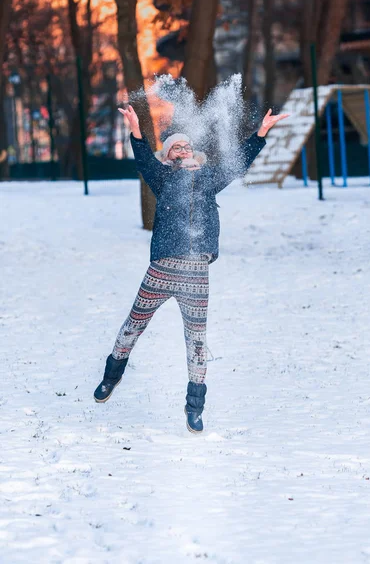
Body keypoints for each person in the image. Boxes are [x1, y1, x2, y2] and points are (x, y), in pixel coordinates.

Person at [94, 105, 289, 433]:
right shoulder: (162, 178)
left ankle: (194, 407)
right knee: (132, 327)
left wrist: (260, 133)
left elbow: (238, 161)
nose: (182, 150)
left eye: (186, 146)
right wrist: (136, 129)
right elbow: (143, 158)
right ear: (168, 158)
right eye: (175, 148)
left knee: (197, 341)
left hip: (196, 273)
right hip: (162, 268)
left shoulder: (209, 180)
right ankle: (110, 377)